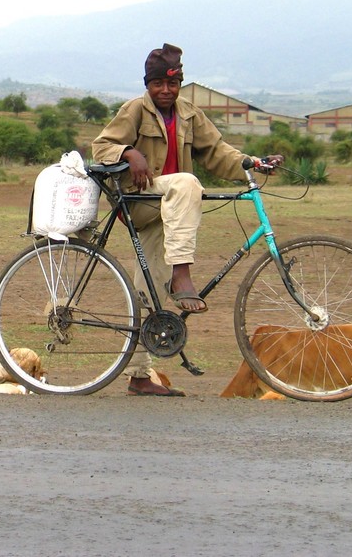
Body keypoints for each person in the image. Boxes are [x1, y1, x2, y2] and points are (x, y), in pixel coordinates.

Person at [92, 43, 282, 397]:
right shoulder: (134, 110)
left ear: (180, 83)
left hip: (170, 208)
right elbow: (101, 146)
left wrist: (252, 163)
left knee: (145, 290)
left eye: (172, 84)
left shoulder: (190, 114)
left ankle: (138, 377)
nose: (165, 91)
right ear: (147, 85)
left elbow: (217, 152)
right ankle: (183, 274)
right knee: (187, 181)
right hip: (139, 202)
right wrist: (129, 152)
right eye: (157, 85)